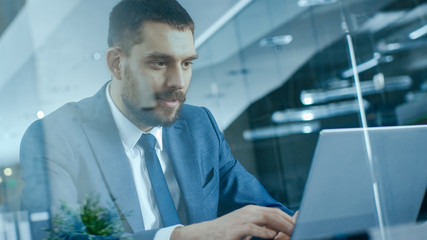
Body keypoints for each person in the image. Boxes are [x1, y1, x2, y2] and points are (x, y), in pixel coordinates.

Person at [20, 0, 297, 239]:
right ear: (117, 63)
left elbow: (263, 212)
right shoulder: (55, 138)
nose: (178, 82)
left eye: (187, 63)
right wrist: (183, 238)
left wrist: (293, 227)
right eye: (159, 63)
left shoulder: (199, 125)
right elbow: (58, 236)